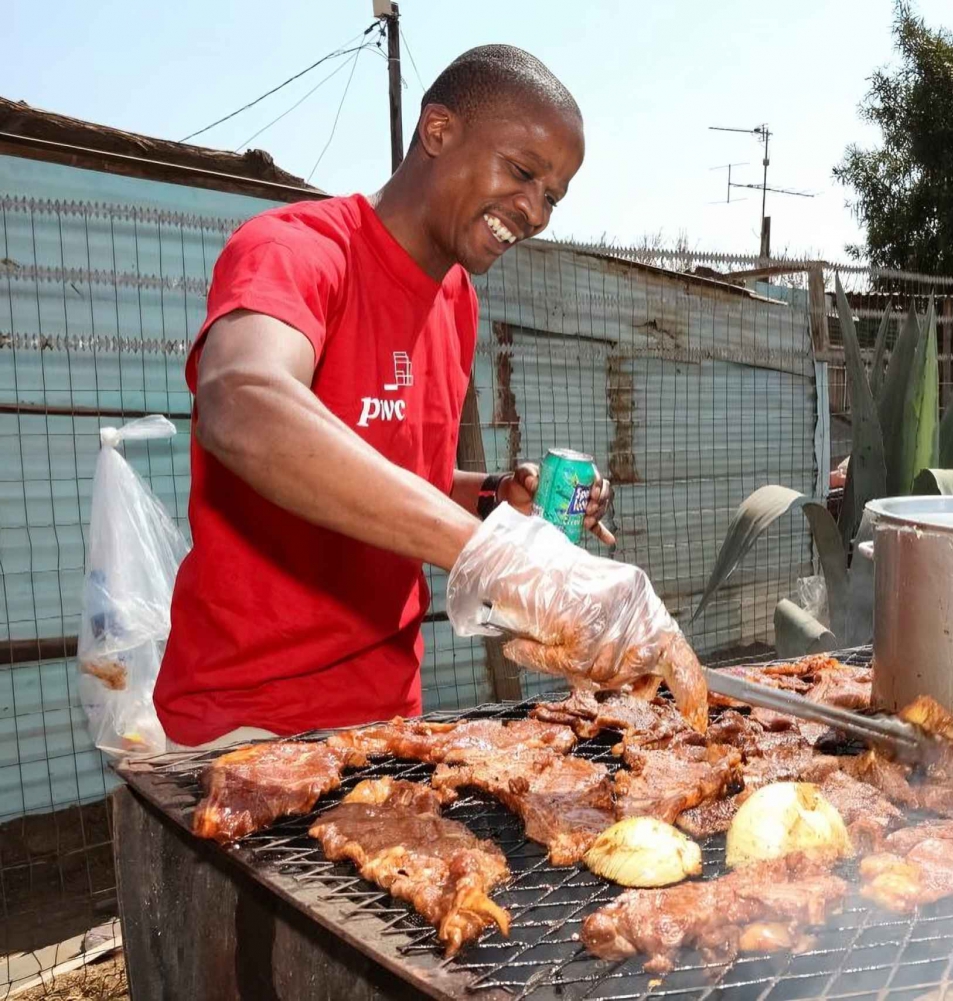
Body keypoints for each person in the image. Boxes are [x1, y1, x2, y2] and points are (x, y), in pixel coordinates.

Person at [155, 45, 704, 749]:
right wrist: (497, 556)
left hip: (390, 719)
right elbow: (242, 399)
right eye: (523, 171)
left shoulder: (455, 301)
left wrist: (498, 499)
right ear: (438, 132)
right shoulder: (298, 251)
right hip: (246, 726)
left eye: (553, 195)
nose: (534, 211)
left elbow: (393, 477)